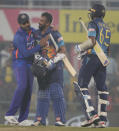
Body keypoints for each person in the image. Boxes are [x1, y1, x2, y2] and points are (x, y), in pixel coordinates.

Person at [4, 13, 49, 125]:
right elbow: (25, 53)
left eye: (28, 21)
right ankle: (10, 114)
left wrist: (46, 36)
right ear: (20, 24)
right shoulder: (18, 36)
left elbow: (40, 35)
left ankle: (22, 118)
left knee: (28, 90)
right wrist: (40, 46)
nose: (27, 24)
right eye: (24, 23)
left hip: (29, 63)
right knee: (22, 85)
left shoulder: (32, 31)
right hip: (20, 62)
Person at [73, 4, 111, 128]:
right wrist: (86, 51)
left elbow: (92, 42)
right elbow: (106, 48)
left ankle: (92, 115)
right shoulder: (107, 27)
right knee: (102, 88)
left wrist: (79, 48)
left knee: (81, 84)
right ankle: (102, 119)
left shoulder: (92, 24)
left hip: (93, 58)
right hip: (103, 58)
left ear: (95, 13)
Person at [32, 12, 66, 126]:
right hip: (42, 66)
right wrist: (40, 62)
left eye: (41, 21)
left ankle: (60, 120)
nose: (39, 22)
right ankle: (40, 119)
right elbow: (34, 50)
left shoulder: (55, 34)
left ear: (47, 23)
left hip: (55, 68)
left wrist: (52, 62)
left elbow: (63, 51)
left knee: (56, 93)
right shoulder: (36, 34)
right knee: (42, 94)